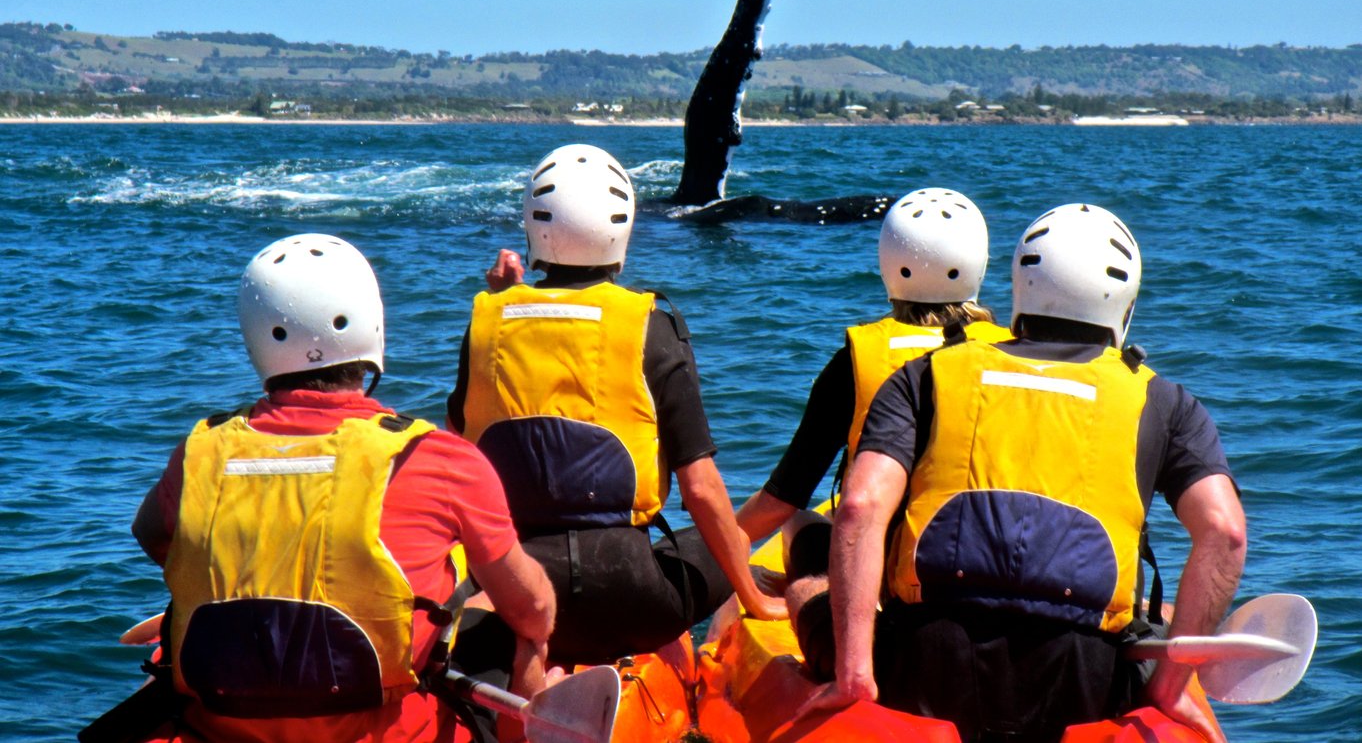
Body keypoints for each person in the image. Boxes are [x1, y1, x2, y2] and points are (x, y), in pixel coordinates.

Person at [808, 203, 1247, 743]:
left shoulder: (923, 376)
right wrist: (1171, 687)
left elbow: (858, 508)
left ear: (1019, 286)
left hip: (928, 660)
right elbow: (1225, 533)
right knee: (1154, 621)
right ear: (1124, 306)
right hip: (1080, 679)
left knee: (808, 589)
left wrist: (856, 675)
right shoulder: (1164, 401)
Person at [129, 233, 555, 743]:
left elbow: (154, 535)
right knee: (521, 623)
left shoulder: (199, 453)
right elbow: (532, 610)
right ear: (372, 326)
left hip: (213, 729)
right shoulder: (438, 457)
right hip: (387, 731)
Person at [447, 143, 786, 666]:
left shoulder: (486, 321)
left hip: (519, 593)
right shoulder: (651, 323)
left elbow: (455, 448)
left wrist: (505, 299)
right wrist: (753, 596)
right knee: (733, 539)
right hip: (631, 599)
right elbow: (699, 486)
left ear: (532, 225)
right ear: (621, 228)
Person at [734, 188, 1010, 576]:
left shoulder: (858, 358)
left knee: (797, 525)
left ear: (887, 263)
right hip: (986, 563)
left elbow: (784, 498)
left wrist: (719, 542)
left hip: (880, 572)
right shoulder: (1016, 355)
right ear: (979, 263)